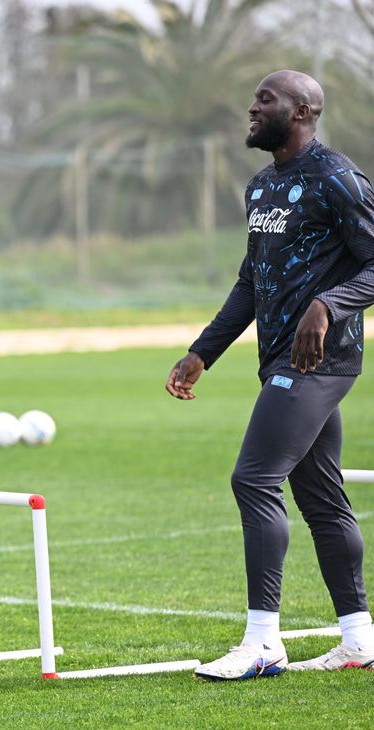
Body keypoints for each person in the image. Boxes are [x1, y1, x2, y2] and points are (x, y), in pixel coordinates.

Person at [167, 70, 374, 679]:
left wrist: (329, 304)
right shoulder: (261, 187)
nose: (252, 109)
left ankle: (263, 641)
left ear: (305, 110)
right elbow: (249, 283)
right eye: (255, 99)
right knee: (322, 498)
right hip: (278, 360)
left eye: (266, 99)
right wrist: (202, 351)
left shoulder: (337, 178)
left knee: (254, 479)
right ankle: (360, 638)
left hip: (321, 361)